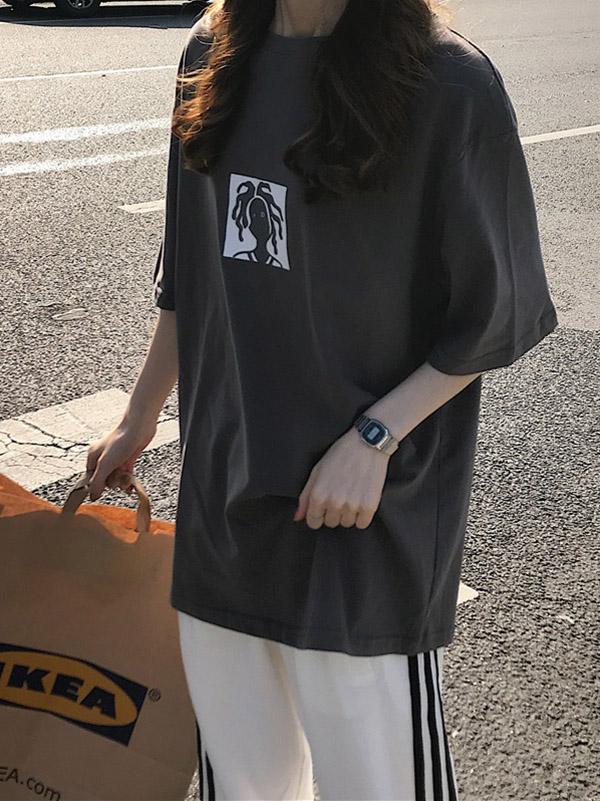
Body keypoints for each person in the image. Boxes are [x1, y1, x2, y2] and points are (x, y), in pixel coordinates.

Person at [86, 0, 559, 798]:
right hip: (224, 511)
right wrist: (139, 417)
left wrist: (376, 436)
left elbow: (496, 309)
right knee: (244, 786)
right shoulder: (212, 49)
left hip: (362, 524)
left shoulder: (449, 82)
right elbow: (191, 264)